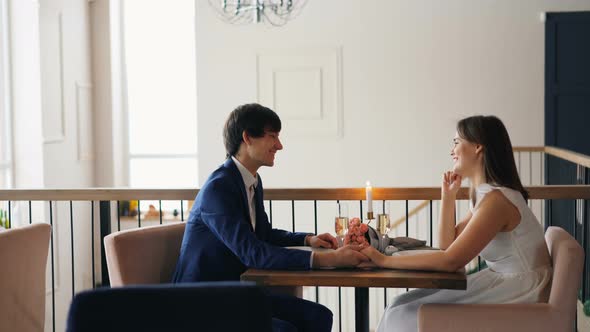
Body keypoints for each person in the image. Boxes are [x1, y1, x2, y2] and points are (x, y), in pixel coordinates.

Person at [172, 103, 368, 332]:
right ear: (247, 137)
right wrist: (328, 259)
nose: (279, 145)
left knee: (319, 316)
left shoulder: (251, 181)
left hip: (236, 294)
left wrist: (307, 240)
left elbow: (262, 235)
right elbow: (252, 252)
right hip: (203, 302)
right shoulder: (219, 188)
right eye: (272, 136)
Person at [360, 115, 552, 332]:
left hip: (520, 291)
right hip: (505, 282)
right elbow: (447, 244)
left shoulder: (497, 201)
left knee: (402, 315)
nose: (452, 151)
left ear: (478, 146)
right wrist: (448, 197)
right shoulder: (487, 195)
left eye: (456, 142)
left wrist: (383, 261)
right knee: (397, 305)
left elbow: (451, 261)